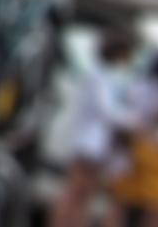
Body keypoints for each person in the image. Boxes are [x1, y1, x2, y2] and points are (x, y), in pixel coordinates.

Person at [53, 31, 138, 227]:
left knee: (83, 194)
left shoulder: (106, 76)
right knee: (77, 192)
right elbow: (108, 111)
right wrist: (134, 121)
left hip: (94, 144)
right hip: (89, 143)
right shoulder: (99, 76)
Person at [110, 57, 158, 227]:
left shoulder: (138, 86)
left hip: (134, 148)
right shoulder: (144, 88)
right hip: (145, 149)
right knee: (151, 207)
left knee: (122, 203)